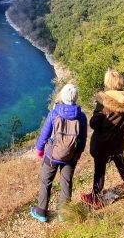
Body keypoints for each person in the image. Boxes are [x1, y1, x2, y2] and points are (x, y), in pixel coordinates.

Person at [81, 69, 124, 209]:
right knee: (120, 161)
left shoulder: (104, 101)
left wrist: (100, 114)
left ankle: (95, 197)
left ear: (107, 82)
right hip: (118, 139)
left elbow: (94, 124)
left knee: (99, 170)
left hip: (102, 142)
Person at [31, 83, 88, 223]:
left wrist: (39, 149)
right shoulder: (81, 116)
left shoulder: (54, 113)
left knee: (46, 181)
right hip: (70, 156)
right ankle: (63, 212)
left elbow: (45, 134)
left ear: (62, 96)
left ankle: (41, 211)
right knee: (66, 183)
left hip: (52, 155)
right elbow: (83, 138)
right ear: (76, 97)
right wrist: (78, 152)